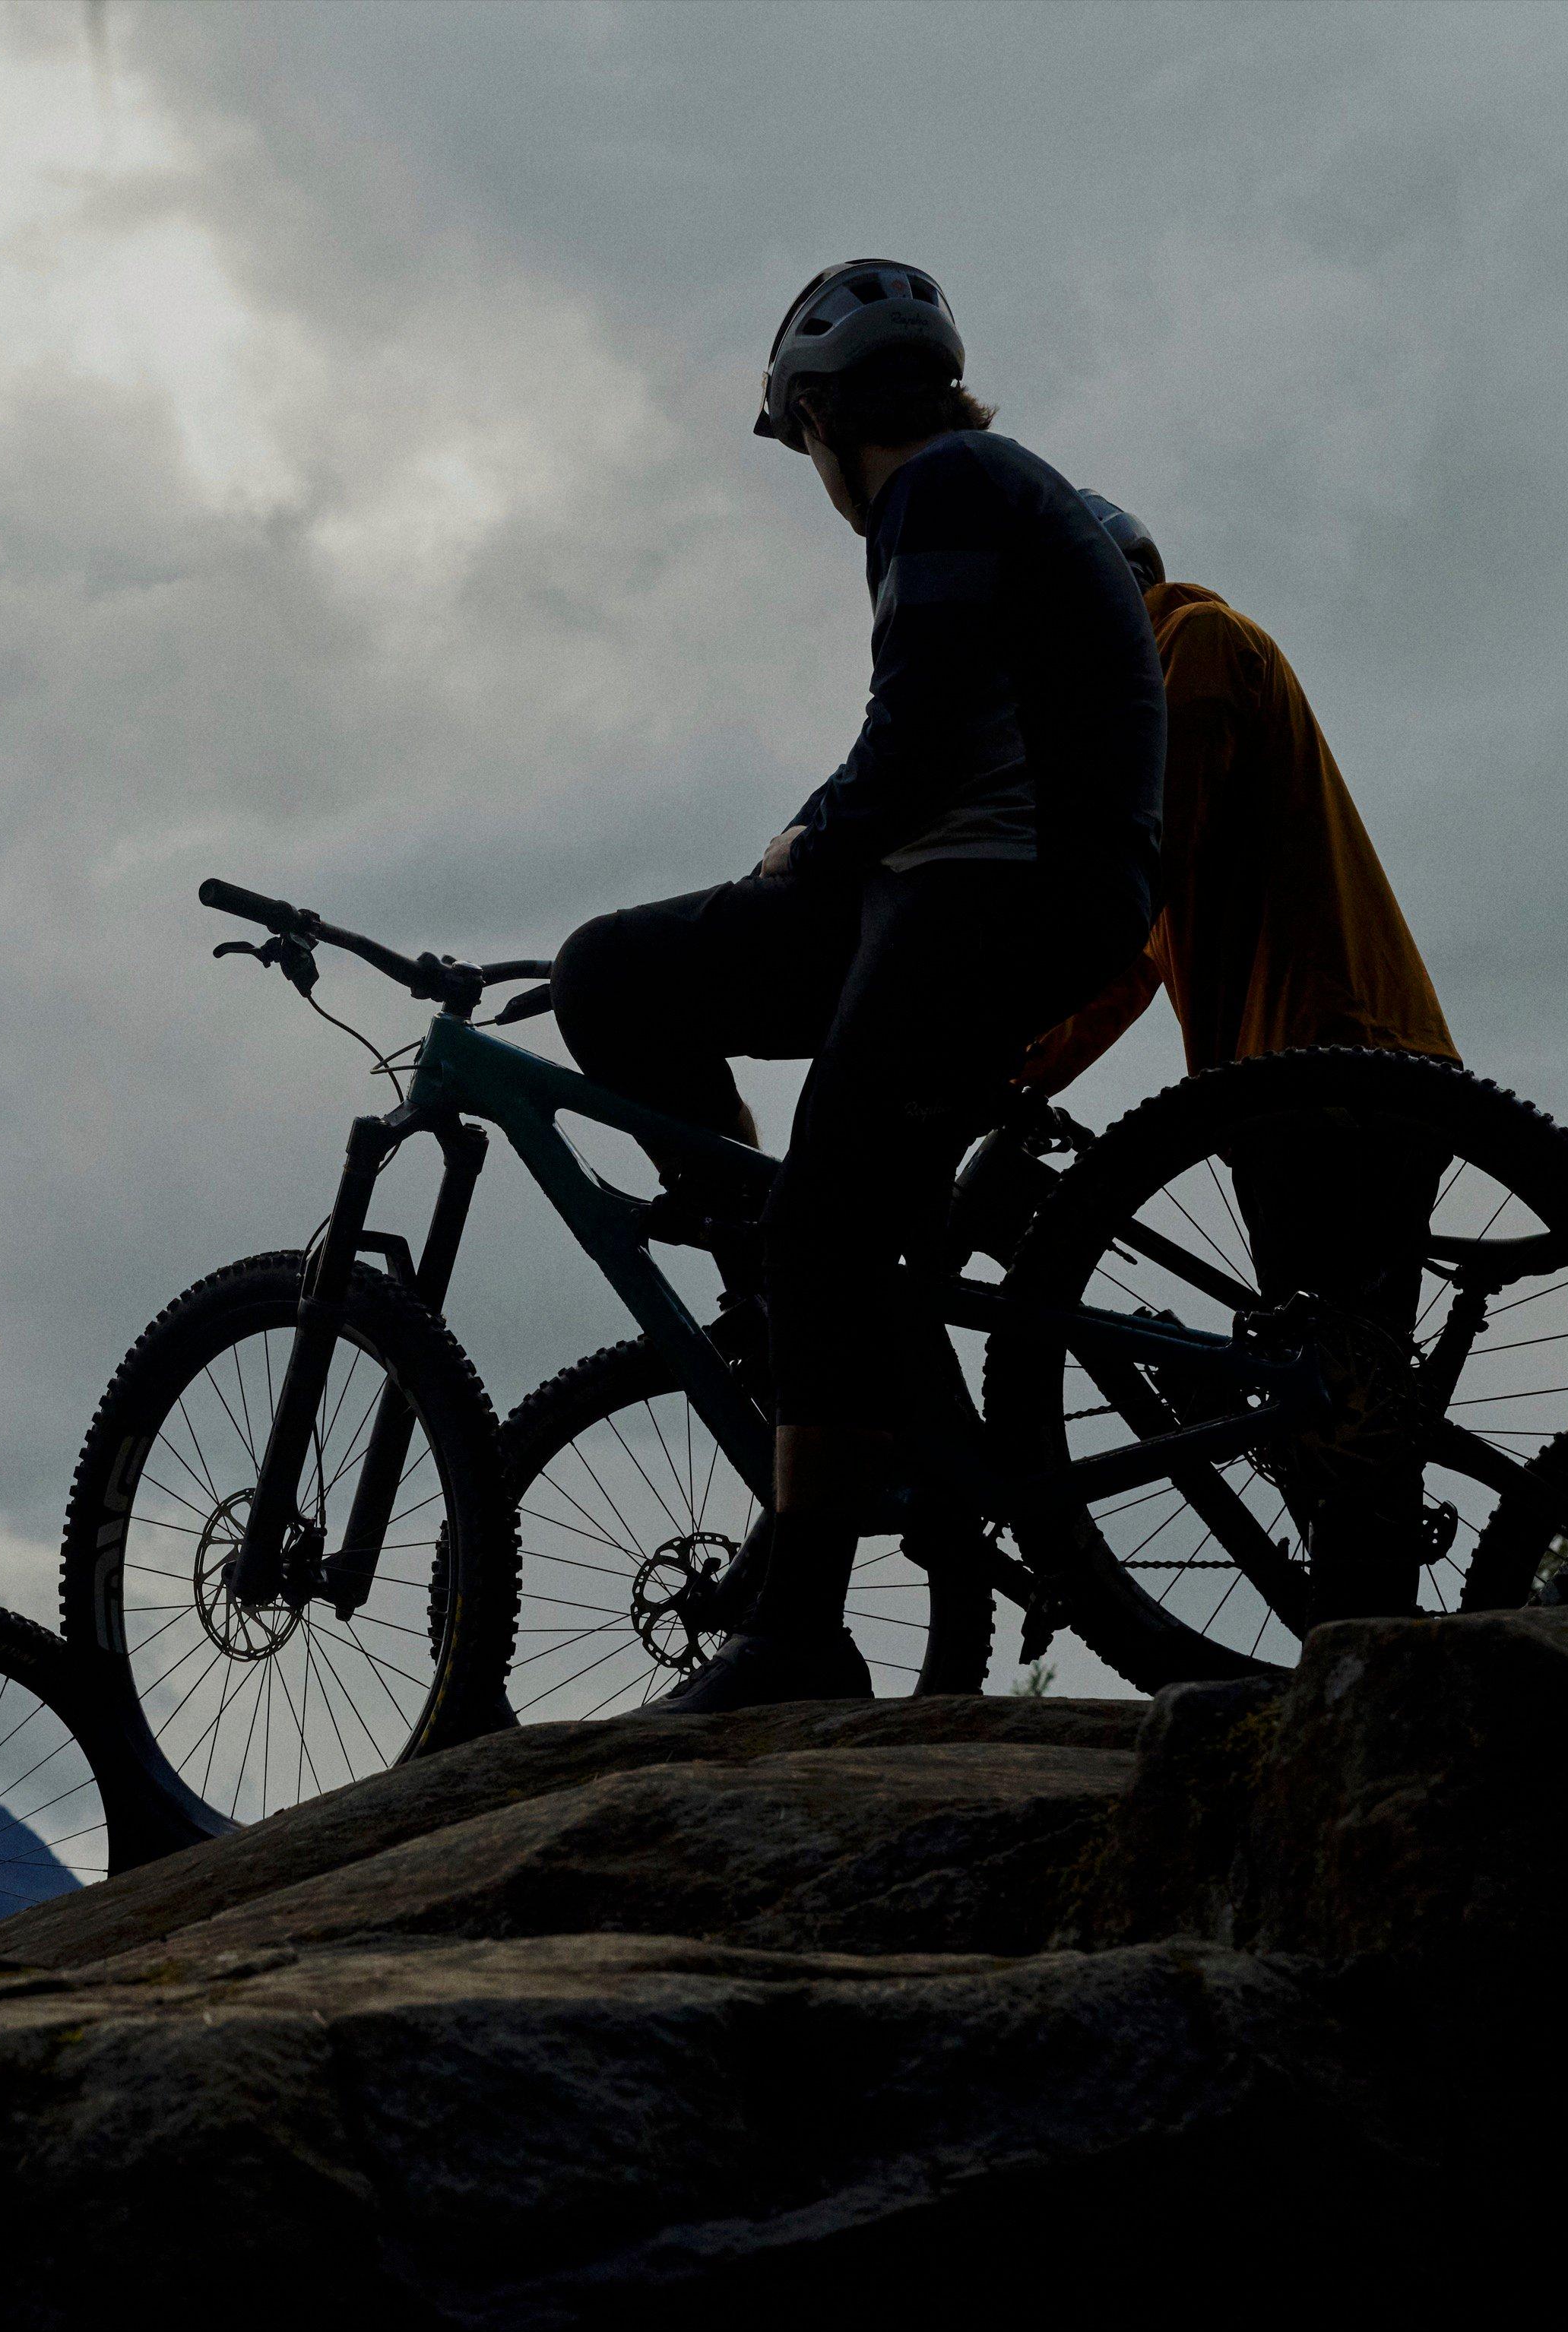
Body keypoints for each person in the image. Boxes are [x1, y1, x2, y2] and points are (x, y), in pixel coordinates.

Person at [549, 259, 1163, 1713]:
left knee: (826, 1223)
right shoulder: (981, 487)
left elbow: (921, 734)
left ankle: (804, 1622)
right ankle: (780, 1305)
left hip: (995, 891)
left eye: (798, 440)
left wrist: (805, 842)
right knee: (612, 976)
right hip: (957, 884)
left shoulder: (944, 487)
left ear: (822, 418)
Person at [1021, 500, 1458, 1621]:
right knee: (1329, 1391)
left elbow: (1136, 871)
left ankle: (1376, 1646)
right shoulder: (1155, 709)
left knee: (1345, 1400)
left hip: (1339, 1066)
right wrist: (1012, 1066)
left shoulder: (1201, 645)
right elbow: (1126, 965)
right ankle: (1360, 1636)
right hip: (1287, 1090)